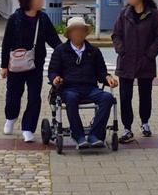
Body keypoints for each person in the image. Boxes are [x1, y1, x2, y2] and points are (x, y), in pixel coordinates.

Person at [0, 0, 62, 142]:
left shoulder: (43, 18)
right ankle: (11, 118)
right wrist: (3, 66)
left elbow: (53, 39)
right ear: (29, 0)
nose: (42, 1)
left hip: (35, 65)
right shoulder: (15, 19)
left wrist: (68, 50)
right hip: (16, 65)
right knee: (13, 96)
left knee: (34, 97)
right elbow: (6, 43)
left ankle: (28, 128)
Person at [48, 17, 119, 148]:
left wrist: (108, 77)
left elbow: (101, 73)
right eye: (74, 30)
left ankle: (94, 134)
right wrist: (55, 78)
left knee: (107, 98)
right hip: (69, 88)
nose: (78, 33)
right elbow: (52, 71)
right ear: (68, 33)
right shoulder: (60, 50)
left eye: (81, 30)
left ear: (86, 32)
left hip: (90, 88)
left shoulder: (94, 51)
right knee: (71, 97)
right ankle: (78, 135)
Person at [112, 0, 158, 143]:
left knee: (145, 94)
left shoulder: (153, 14)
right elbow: (116, 35)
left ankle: (145, 123)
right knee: (125, 96)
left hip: (145, 62)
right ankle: (127, 127)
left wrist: (150, 54)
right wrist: (121, 50)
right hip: (126, 62)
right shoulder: (124, 13)